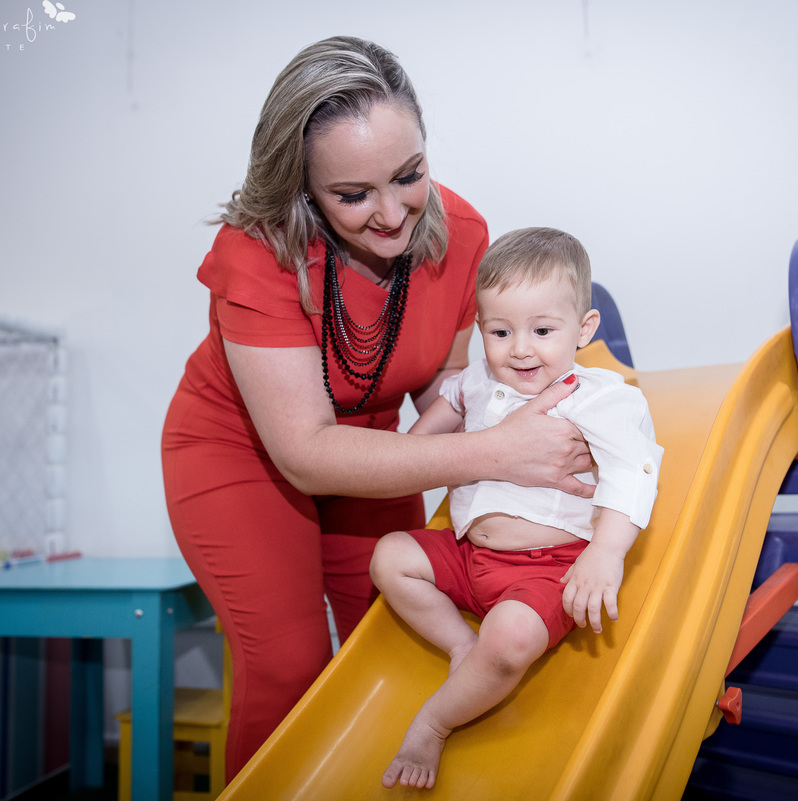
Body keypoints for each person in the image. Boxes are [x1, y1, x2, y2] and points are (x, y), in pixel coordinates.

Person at [161, 38, 595, 779]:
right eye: (354, 194)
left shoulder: (462, 235)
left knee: (390, 642)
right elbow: (301, 448)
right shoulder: (255, 252)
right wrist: (495, 454)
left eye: (409, 175)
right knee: (291, 663)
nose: (393, 213)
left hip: (373, 448)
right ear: (300, 188)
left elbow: (447, 389)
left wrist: (555, 409)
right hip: (245, 454)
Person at [370, 227, 665, 790]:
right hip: (467, 554)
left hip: (546, 568)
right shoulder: (478, 377)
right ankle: (461, 647)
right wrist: (413, 447)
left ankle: (433, 723)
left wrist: (605, 553)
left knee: (510, 640)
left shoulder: (602, 396)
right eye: (501, 331)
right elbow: (436, 425)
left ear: (584, 329)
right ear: (480, 329)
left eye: (543, 330)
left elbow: (635, 471)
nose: (521, 348)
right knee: (389, 557)